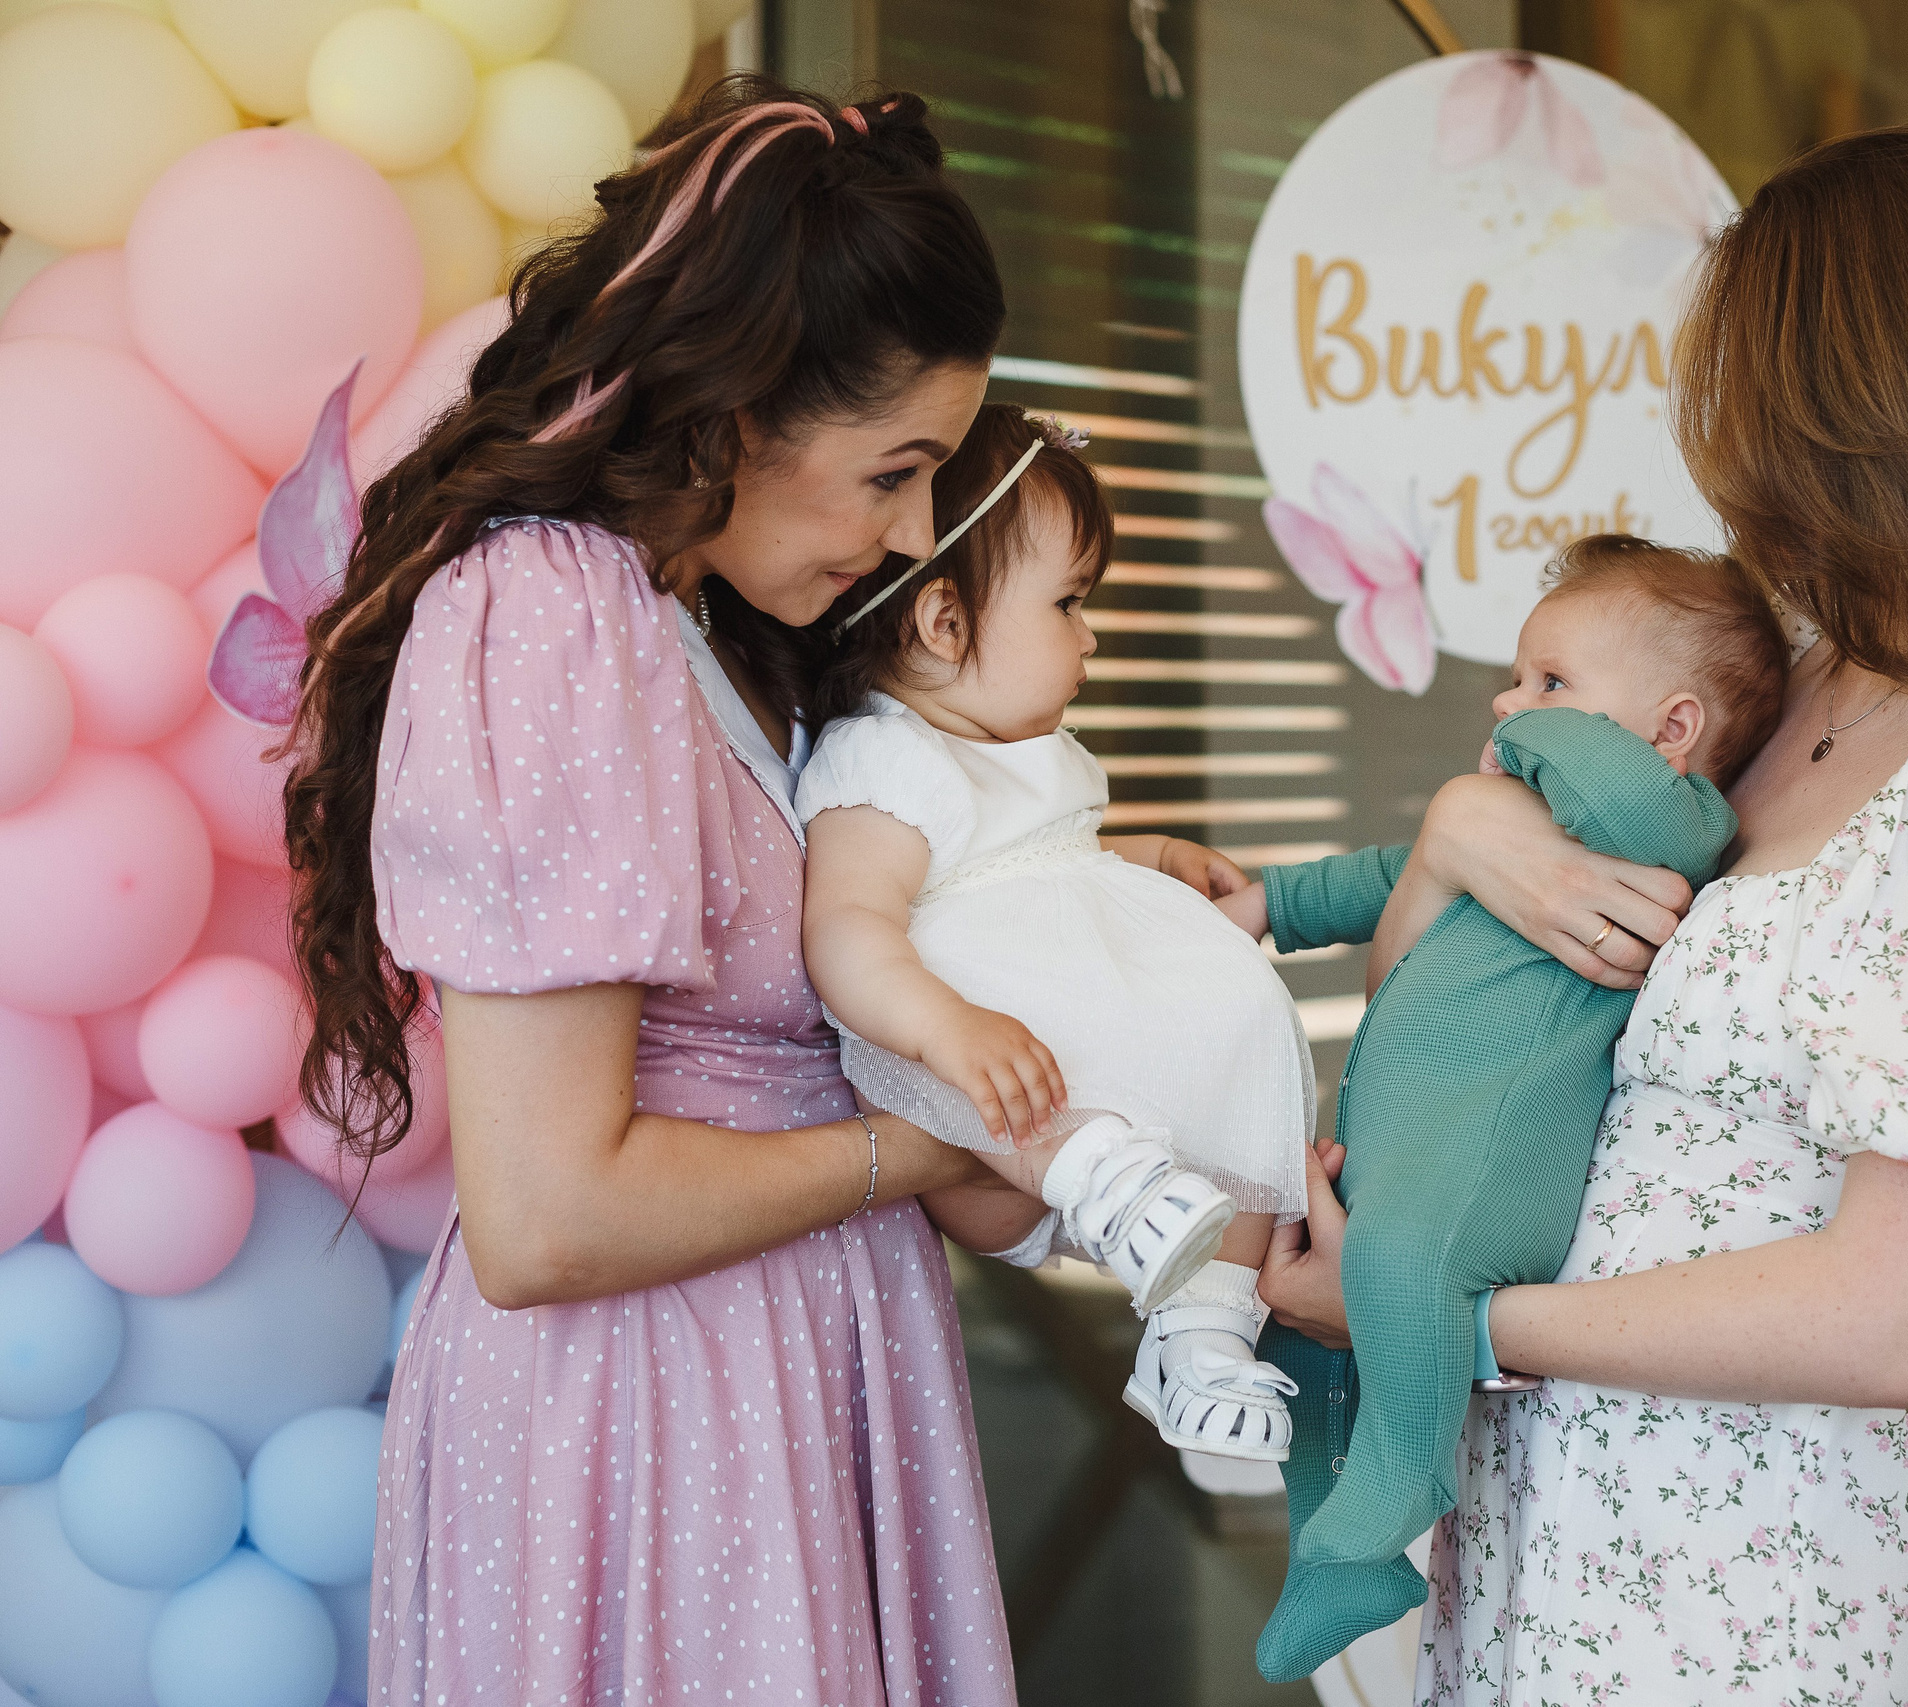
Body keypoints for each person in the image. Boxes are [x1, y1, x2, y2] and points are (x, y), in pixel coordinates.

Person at [1257, 120, 1908, 1703]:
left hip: (1747, 1593)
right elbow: (1467, 981)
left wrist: (1448, 1322)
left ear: (1890, 412)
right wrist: (1466, 832)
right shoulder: (1790, 688)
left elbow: (1889, 1320)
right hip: (1537, 1543)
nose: (1734, 475)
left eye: (1763, 421)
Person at [285, 78, 1072, 1704]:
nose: (915, 531)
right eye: (895, 469)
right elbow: (548, 1217)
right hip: (658, 1404)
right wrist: (916, 1145)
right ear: (738, 409)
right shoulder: (551, 610)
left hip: (778, 1366)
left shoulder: (711, 623)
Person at [1214, 537, 1788, 1680]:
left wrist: (1490, 781)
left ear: (1671, 730)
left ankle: (1393, 1500)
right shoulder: (1519, 824)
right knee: (1306, 1349)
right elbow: (1390, 871)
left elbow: (1598, 792)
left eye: (1551, 681)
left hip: (1477, 1175)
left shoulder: (1671, 826)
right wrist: (1269, 903)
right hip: (1411, 1155)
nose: (1509, 702)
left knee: (1393, 1263)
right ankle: (1331, 1550)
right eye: (1519, 679)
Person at [794, 401, 1314, 1464]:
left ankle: (1202, 1336)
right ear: (944, 623)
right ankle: (1096, 1172)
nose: (1090, 634)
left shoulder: (1040, 755)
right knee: (953, 963)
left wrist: (1148, 857)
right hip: (989, 1120)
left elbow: (1050, 868)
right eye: (1069, 602)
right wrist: (947, 1028)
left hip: (1081, 1092)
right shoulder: (882, 760)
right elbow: (847, 926)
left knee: (1239, 1018)